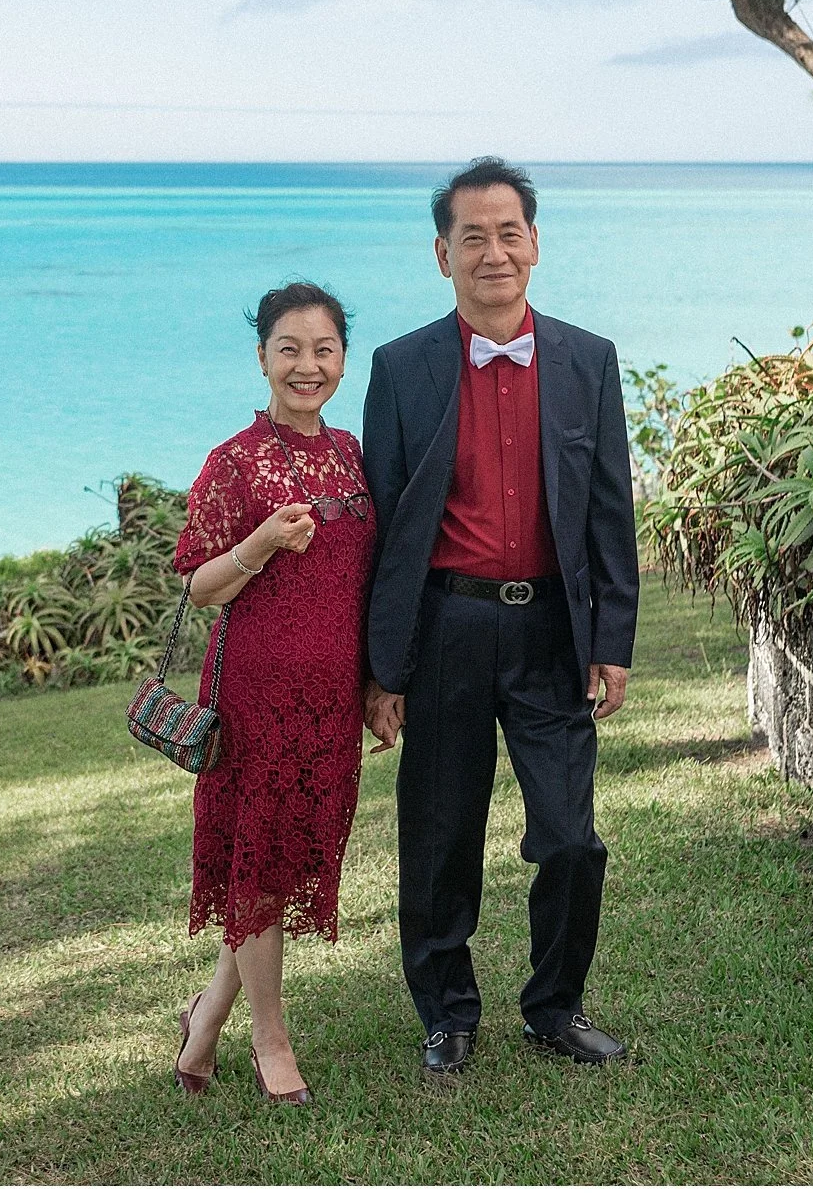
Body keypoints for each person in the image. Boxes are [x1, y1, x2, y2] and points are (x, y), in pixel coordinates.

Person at [359, 156, 639, 1080]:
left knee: (569, 838)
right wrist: (383, 667)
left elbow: (607, 513)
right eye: (471, 237)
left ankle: (554, 1008)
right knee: (439, 835)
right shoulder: (402, 367)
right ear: (442, 255)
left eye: (507, 232)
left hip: (552, 631)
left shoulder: (587, 360)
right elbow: (388, 529)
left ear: (535, 245)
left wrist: (611, 642)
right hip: (445, 628)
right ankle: (447, 1013)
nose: (492, 252)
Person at [168, 281, 373, 1107]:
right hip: (257, 700)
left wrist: (375, 686)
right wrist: (259, 542)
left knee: (281, 862)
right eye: (288, 349)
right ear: (261, 358)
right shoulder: (233, 461)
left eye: (323, 350)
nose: (307, 366)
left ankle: (206, 1012)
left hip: (332, 701)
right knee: (257, 859)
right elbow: (199, 584)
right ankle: (269, 1036)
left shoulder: (354, 454)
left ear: (342, 361)